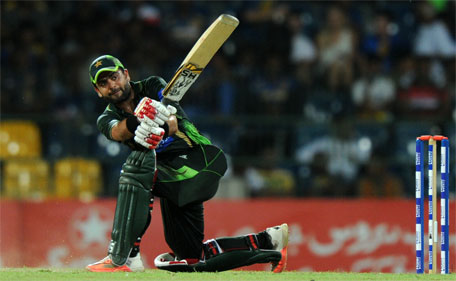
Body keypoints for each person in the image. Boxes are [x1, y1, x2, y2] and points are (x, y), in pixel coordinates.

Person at [85, 55, 289, 273]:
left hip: (198, 161)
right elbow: (117, 131)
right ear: (98, 91)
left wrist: (160, 120)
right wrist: (138, 121)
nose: (112, 86)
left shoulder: (152, 85)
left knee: (134, 167)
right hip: (172, 181)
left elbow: (172, 121)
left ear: (126, 74)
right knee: (190, 257)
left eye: (114, 77)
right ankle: (268, 243)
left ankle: (124, 256)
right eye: (104, 84)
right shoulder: (105, 119)